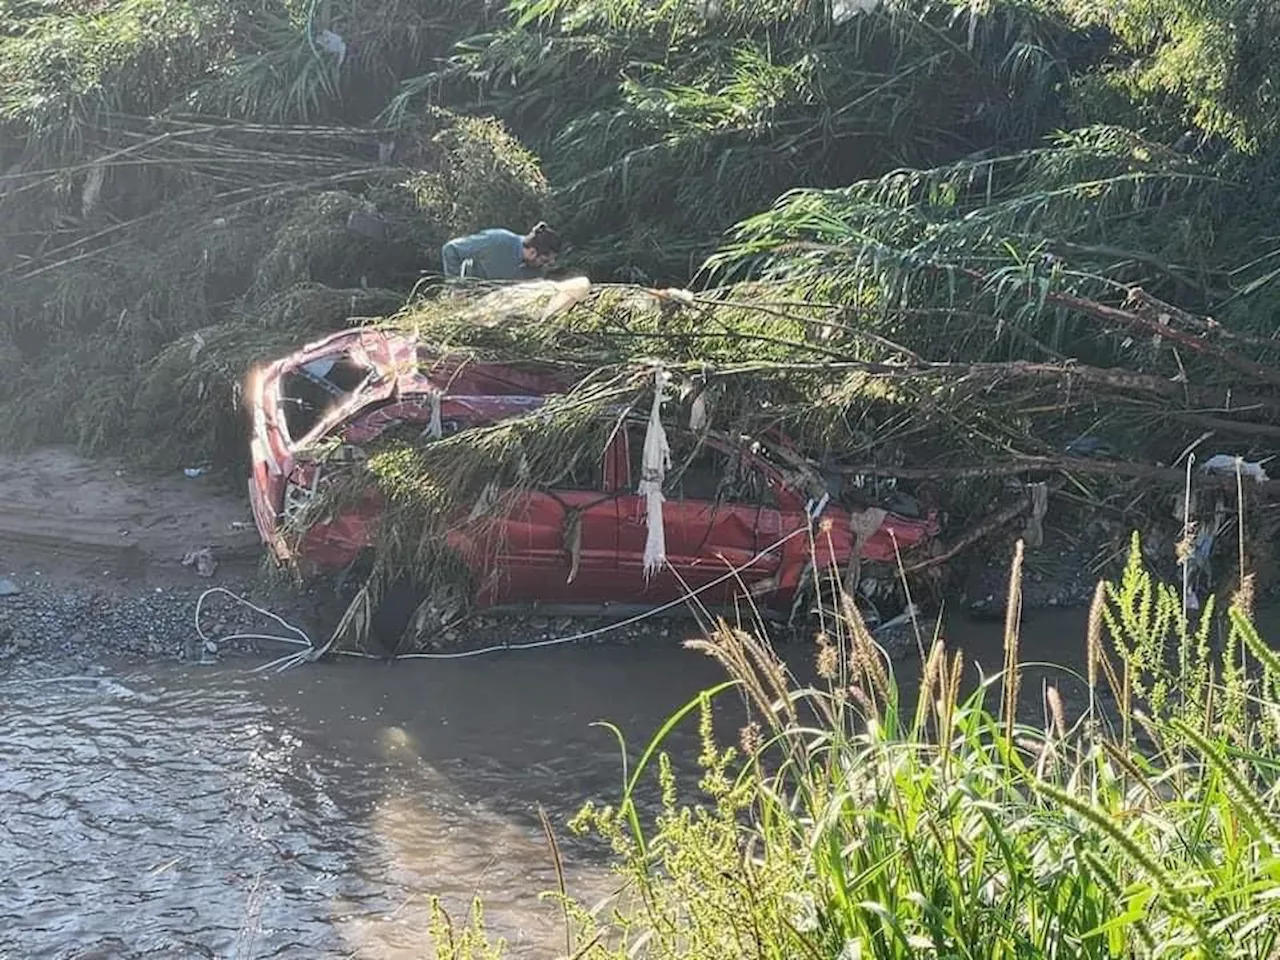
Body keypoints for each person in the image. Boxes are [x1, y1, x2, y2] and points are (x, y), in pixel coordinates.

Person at [439, 222, 562, 281]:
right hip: (469, 297)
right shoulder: (498, 240)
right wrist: (457, 287)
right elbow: (450, 249)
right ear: (532, 253)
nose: (545, 266)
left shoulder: (535, 273)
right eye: (544, 261)